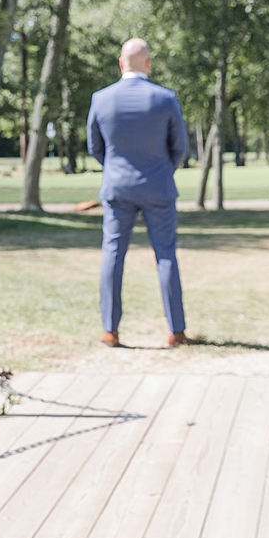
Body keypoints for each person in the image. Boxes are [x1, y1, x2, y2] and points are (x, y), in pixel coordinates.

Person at [86, 38, 190, 348]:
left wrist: (116, 169)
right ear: (148, 64)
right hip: (159, 186)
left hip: (117, 188)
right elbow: (180, 148)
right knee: (166, 256)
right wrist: (160, 171)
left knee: (113, 254)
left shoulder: (100, 99)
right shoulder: (166, 98)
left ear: (121, 63)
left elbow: (95, 147)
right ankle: (176, 330)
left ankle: (110, 330)